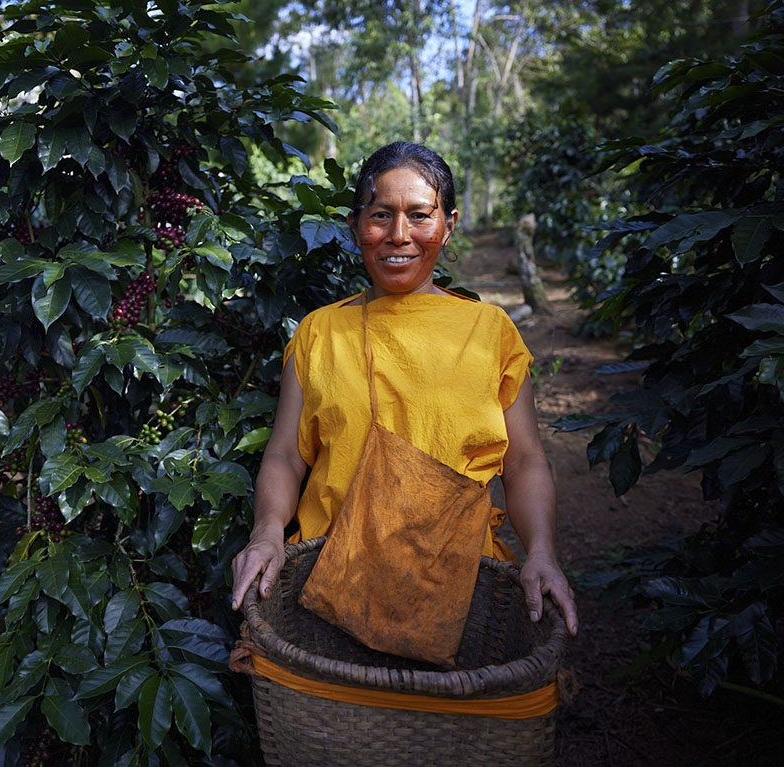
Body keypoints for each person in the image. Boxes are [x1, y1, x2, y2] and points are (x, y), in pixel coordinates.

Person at [229, 141, 578, 639]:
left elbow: (524, 462)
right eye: (380, 216)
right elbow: (286, 455)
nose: (399, 236)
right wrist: (266, 532)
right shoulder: (319, 333)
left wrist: (542, 553)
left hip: (461, 589)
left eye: (419, 216)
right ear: (354, 227)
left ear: (449, 225)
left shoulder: (491, 332)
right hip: (326, 582)